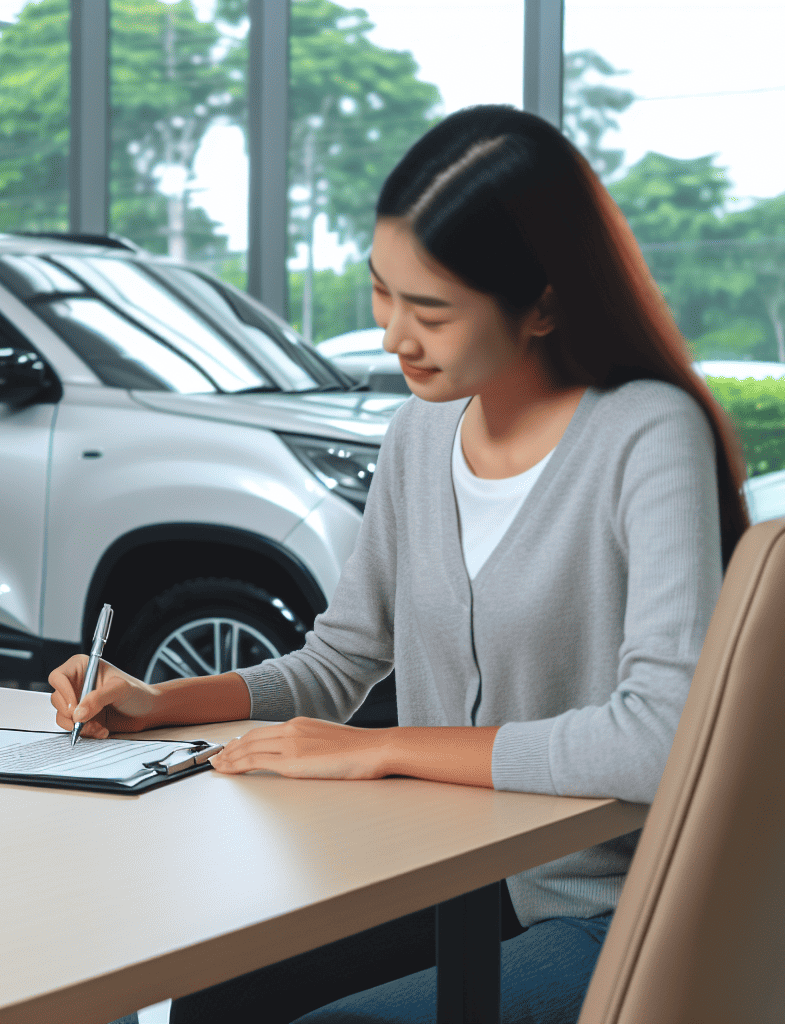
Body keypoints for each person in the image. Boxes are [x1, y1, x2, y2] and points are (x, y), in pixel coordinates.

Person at [56, 105, 749, 1024]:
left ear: (543, 301)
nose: (392, 335)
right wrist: (163, 701)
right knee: (217, 994)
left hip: (619, 912)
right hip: (468, 882)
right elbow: (342, 662)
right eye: (383, 291)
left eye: (430, 310)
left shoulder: (645, 433)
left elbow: (659, 738)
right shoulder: (420, 433)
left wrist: (382, 750)